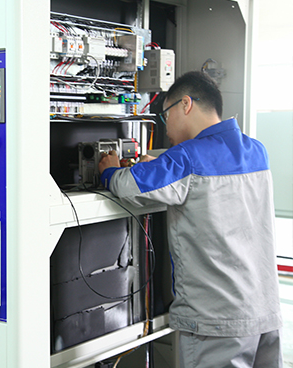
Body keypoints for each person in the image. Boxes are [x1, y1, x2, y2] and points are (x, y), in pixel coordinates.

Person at [98, 71, 282, 367]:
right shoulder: (256, 151)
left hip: (216, 322)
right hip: (264, 314)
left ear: (186, 104)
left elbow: (129, 185)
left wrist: (109, 170)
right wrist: (160, 164)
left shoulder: (187, 158)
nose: (166, 125)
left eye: (166, 114)